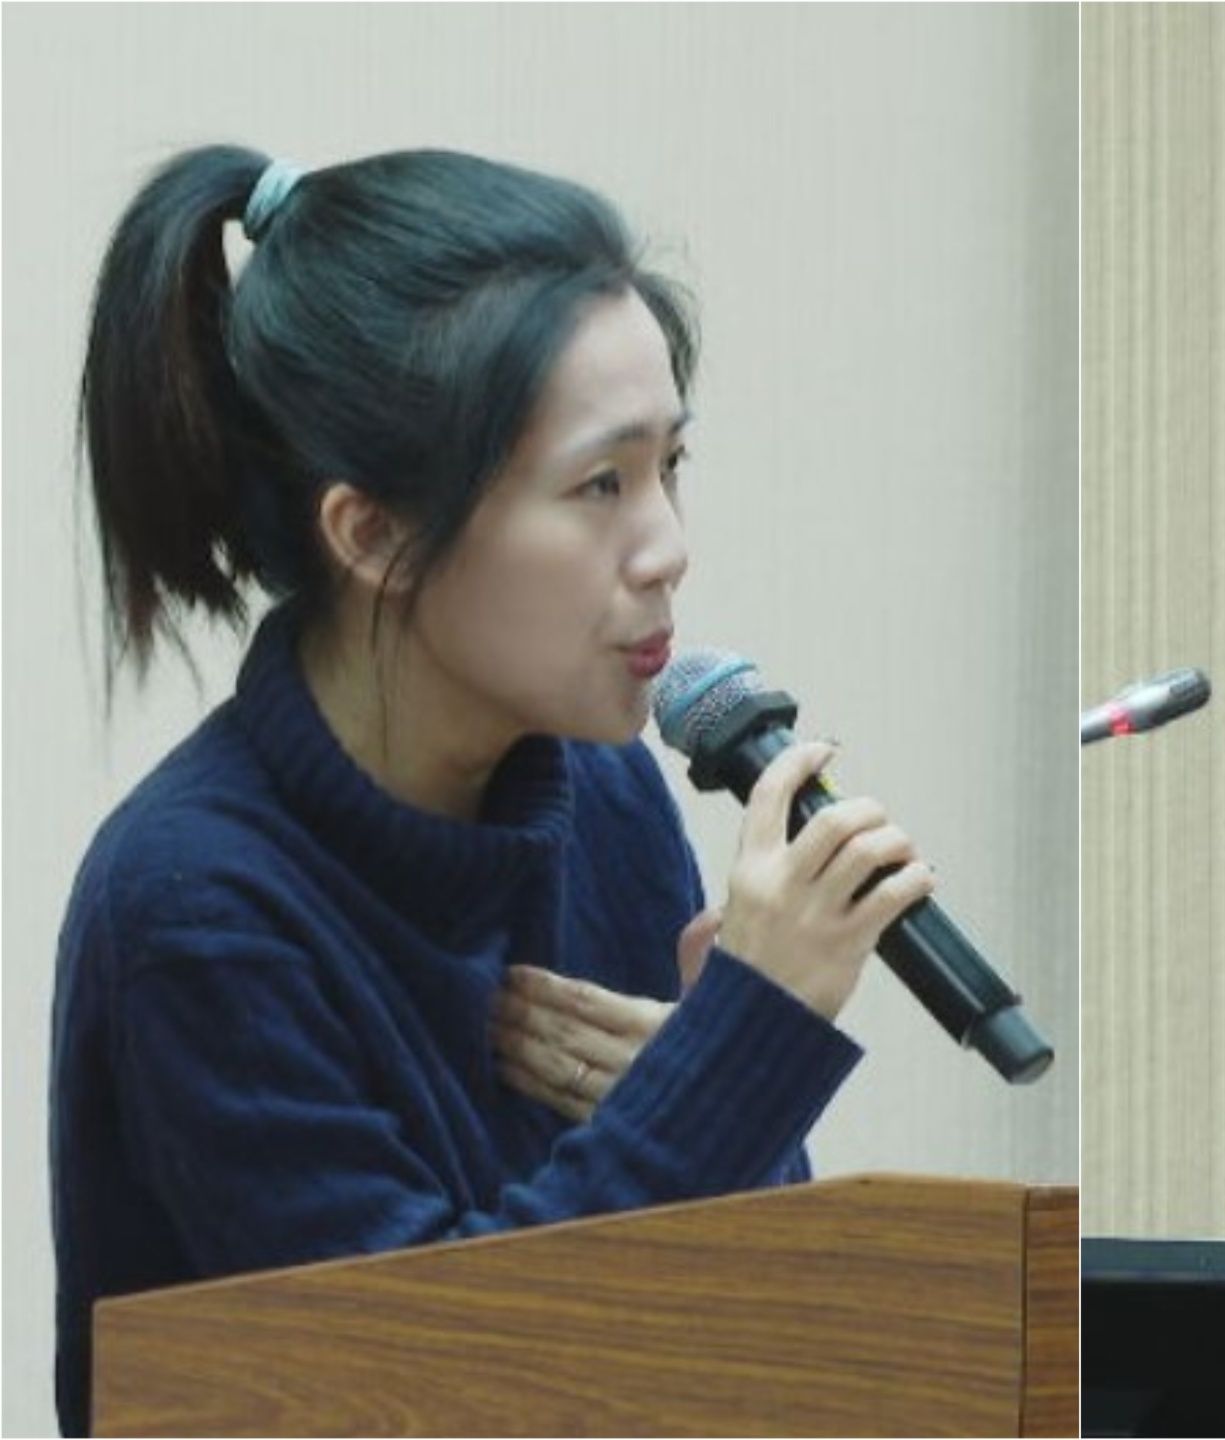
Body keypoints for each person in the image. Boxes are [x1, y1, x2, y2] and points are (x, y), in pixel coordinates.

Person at [51, 146, 934, 1437]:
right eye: (600, 485)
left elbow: (723, 1346)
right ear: (374, 534)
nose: (668, 549)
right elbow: (438, 1393)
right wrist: (741, 1046)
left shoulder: (607, 797)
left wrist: (719, 1094)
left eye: (671, 467)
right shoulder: (195, 909)